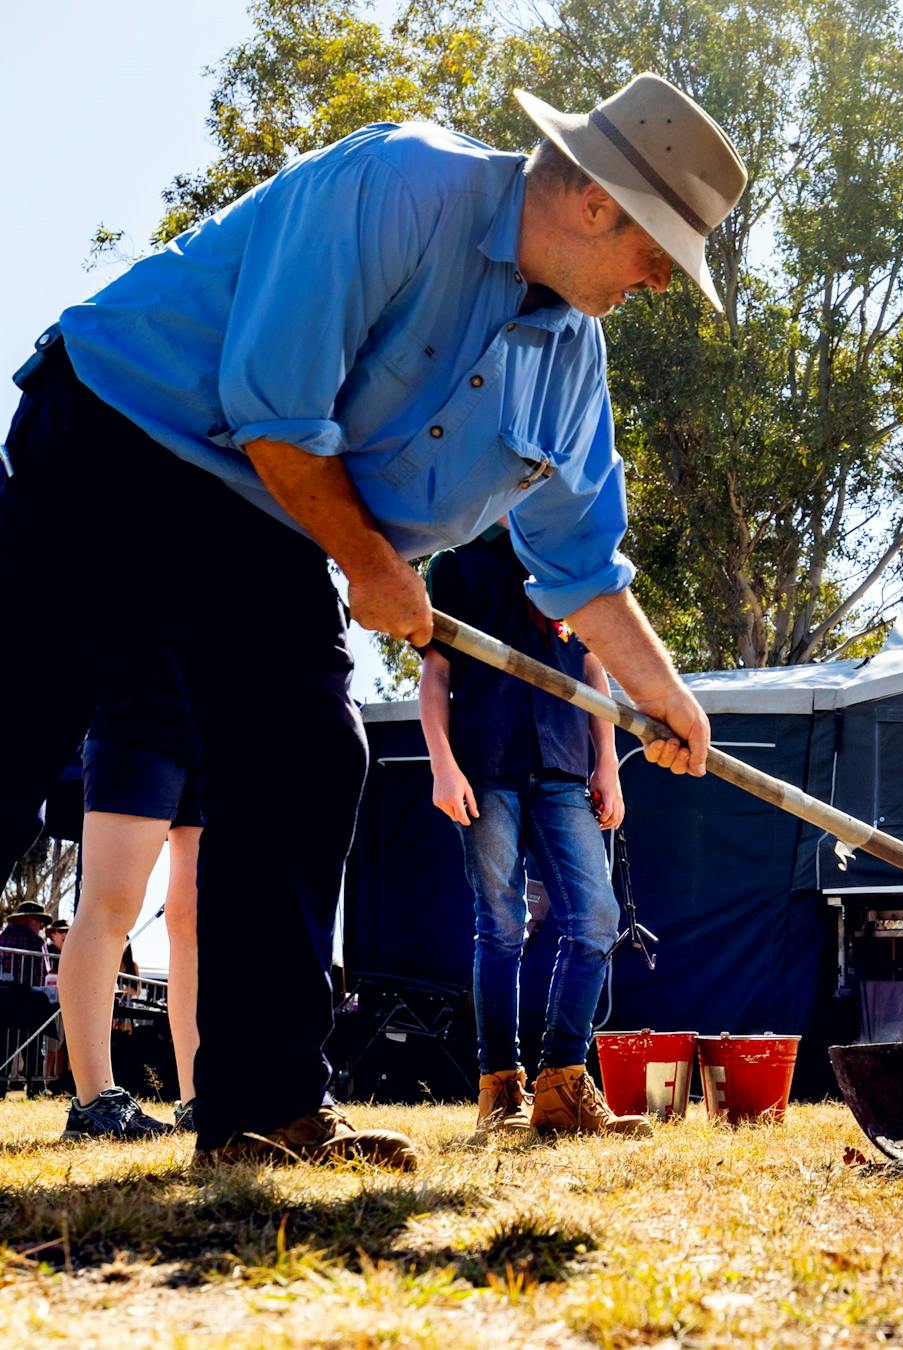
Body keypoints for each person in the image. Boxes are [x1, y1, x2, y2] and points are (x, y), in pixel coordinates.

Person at [0, 75, 740, 1169]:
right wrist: (371, 562)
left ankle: (260, 1110)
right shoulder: (400, 185)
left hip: (257, 503)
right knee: (22, 720)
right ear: (596, 201)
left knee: (304, 750)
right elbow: (275, 409)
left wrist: (660, 693)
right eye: (659, 253)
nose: (659, 282)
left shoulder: (572, 360)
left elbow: (581, 564)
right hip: (120, 424)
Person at [421, 521, 650, 1141]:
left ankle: (563, 1086)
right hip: (484, 767)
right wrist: (442, 764)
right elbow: (437, 675)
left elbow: (594, 670)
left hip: (563, 770)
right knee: (500, 925)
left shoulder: (569, 554)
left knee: (597, 919)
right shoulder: (453, 565)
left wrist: (608, 763)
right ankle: (500, 1089)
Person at [58, 670, 203, 1141]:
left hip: (213, 720)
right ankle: (94, 1103)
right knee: (111, 904)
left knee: (194, 920)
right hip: (139, 707)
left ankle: (198, 1097)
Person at [0, 902, 52, 987]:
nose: (41, 927)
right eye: (40, 922)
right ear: (29, 920)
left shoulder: (2, 937)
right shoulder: (36, 941)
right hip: (28, 995)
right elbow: (43, 975)